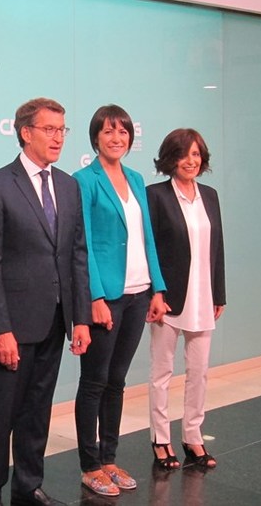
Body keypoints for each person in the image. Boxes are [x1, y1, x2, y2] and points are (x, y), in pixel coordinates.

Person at [0, 98, 92, 506]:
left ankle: (28, 486)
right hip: (13, 325)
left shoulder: (67, 184)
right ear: (26, 132)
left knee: (38, 411)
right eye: (49, 129)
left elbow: (77, 253)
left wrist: (80, 318)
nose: (58, 137)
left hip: (57, 319)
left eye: (63, 130)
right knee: (0, 416)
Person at [72, 104, 167, 497]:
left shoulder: (137, 178)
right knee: (93, 382)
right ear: (96, 137)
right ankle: (90, 465)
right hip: (106, 297)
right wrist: (93, 295)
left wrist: (158, 288)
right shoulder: (84, 180)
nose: (117, 138)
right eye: (109, 131)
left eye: (123, 132)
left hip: (138, 292)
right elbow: (85, 244)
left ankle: (109, 457)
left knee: (117, 381)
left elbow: (147, 237)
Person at [147, 128, 225, 470]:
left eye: (196, 154)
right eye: (183, 154)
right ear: (170, 159)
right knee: (162, 371)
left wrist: (219, 293)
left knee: (199, 371)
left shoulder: (209, 194)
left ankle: (193, 435)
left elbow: (217, 247)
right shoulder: (156, 196)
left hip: (203, 296)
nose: (190, 161)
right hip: (169, 298)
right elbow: (150, 251)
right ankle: (160, 438)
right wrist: (156, 293)